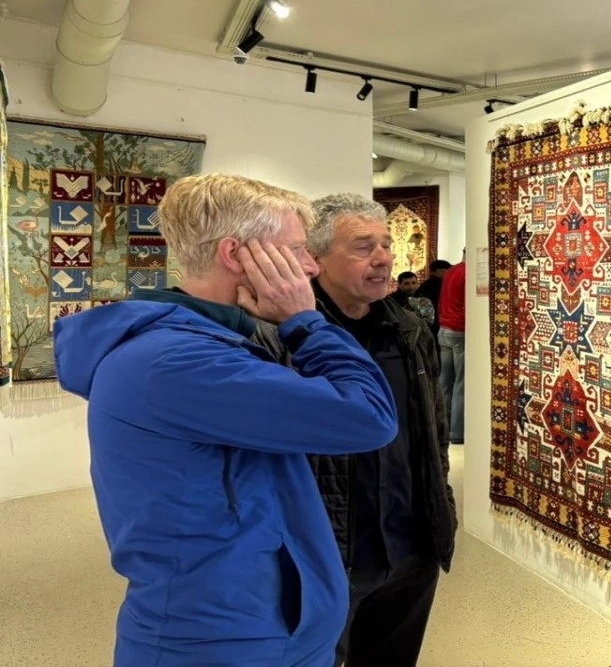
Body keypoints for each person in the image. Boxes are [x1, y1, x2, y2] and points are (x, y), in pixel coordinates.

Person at [53, 174, 398, 667]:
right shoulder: (179, 362)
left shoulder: (215, 344)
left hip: (262, 631)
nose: (309, 265)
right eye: (296, 250)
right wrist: (306, 322)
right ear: (236, 255)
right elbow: (369, 416)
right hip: (222, 641)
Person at [304, 193, 456, 666]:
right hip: (329, 552)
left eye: (386, 244)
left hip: (410, 546)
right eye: (362, 246)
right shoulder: (287, 337)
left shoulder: (409, 331)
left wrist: (441, 509)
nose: (383, 258)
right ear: (316, 258)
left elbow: (433, 429)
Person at [438, 251, 466, 445]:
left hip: (445, 329)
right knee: (461, 383)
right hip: (460, 330)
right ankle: (457, 431)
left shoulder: (451, 272)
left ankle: (441, 427)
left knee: (445, 382)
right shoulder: (468, 273)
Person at [415, 259, 451, 333]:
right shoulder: (440, 285)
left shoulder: (425, 284)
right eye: (448, 271)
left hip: (425, 323)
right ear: (439, 271)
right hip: (437, 322)